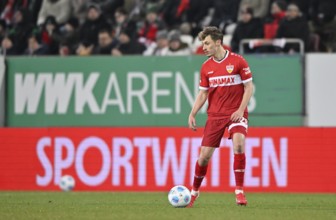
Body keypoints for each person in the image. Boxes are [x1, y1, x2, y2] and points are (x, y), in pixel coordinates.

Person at [187, 26, 253, 207]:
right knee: (204, 157)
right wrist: (193, 113)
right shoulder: (206, 67)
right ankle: (194, 192)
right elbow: (203, 94)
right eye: (203, 43)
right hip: (215, 115)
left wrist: (240, 110)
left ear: (218, 42)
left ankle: (239, 191)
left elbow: (249, 87)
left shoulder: (238, 61)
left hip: (235, 112)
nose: (204, 47)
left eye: (207, 43)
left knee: (239, 144)